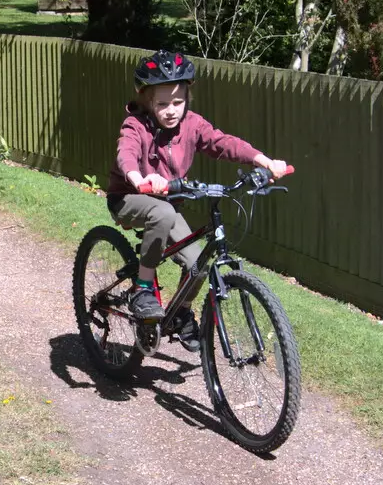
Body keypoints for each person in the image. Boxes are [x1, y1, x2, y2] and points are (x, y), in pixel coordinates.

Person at [106, 50, 290, 342]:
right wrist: (138, 178)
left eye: (178, 102)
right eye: (162, 103)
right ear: (147, 102)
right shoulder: (136, 125)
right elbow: (125, 154)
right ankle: (142, 288)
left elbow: (222, 143)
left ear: (187, 99)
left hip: (166, 202)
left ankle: (180, 311)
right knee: (162, 214)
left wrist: (262, 160)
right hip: (129, 196)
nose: (171, 110)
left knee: (197, 264)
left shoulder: (192, 124)